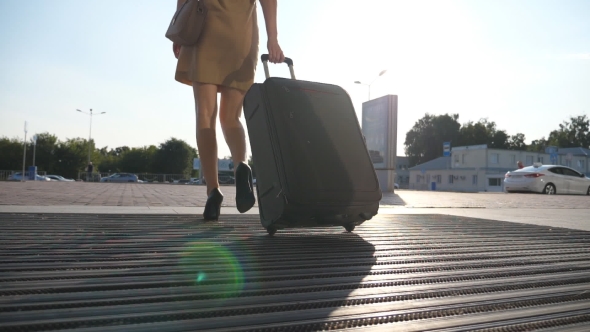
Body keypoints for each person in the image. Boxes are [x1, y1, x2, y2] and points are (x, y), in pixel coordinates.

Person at [172, 0, 285, 221]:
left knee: (205, 116)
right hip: (240, 32)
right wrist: (273, 38)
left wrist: (179, 27)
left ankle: (213, 192)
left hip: (205, 26)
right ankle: (241, 165)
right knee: (231, 117)